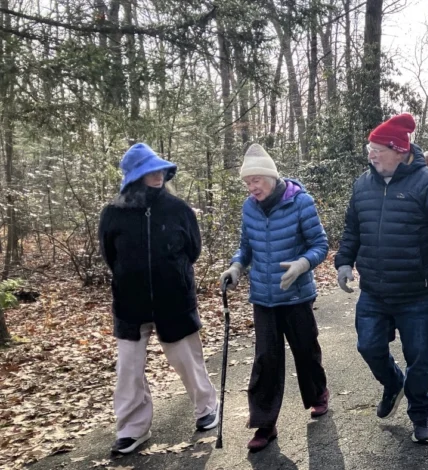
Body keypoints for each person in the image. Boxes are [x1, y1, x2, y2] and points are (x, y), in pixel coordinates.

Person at [335, 113, 428, 444]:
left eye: (378, 150)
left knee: (418, 357)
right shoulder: (363, 184)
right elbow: (352, 229)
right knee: (368, 346)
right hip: (373, 291)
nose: (372, 156)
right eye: (370, 150)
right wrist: (344, 261)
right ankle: (393, 383)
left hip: (416, 292)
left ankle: (419, 414)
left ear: (400, 150)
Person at [99, 143, 218, 455]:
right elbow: (110, 256)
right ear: (134, 177)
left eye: (160, 170)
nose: (158, 175)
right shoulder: (113, 213)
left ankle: (207, 407)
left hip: (174, 300)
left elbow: (193, 250)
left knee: (187, 360)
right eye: (150, 171)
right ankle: (132, 429)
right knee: (128, 370)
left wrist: (172, 273)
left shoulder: (178, 209)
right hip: (129, 304)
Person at [219, 143, 330, 452]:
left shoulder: (300, 202)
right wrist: (236, 266)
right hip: (263, 297)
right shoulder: (249, 207)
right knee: (266, 359)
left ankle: (318, 393)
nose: (251, 187)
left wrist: (302, 264)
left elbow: (320, 244)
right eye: (247, 182)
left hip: (296, 295)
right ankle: (264, 424)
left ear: (271, 176)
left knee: (305, 350)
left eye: (256, 180)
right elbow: (246, 246)